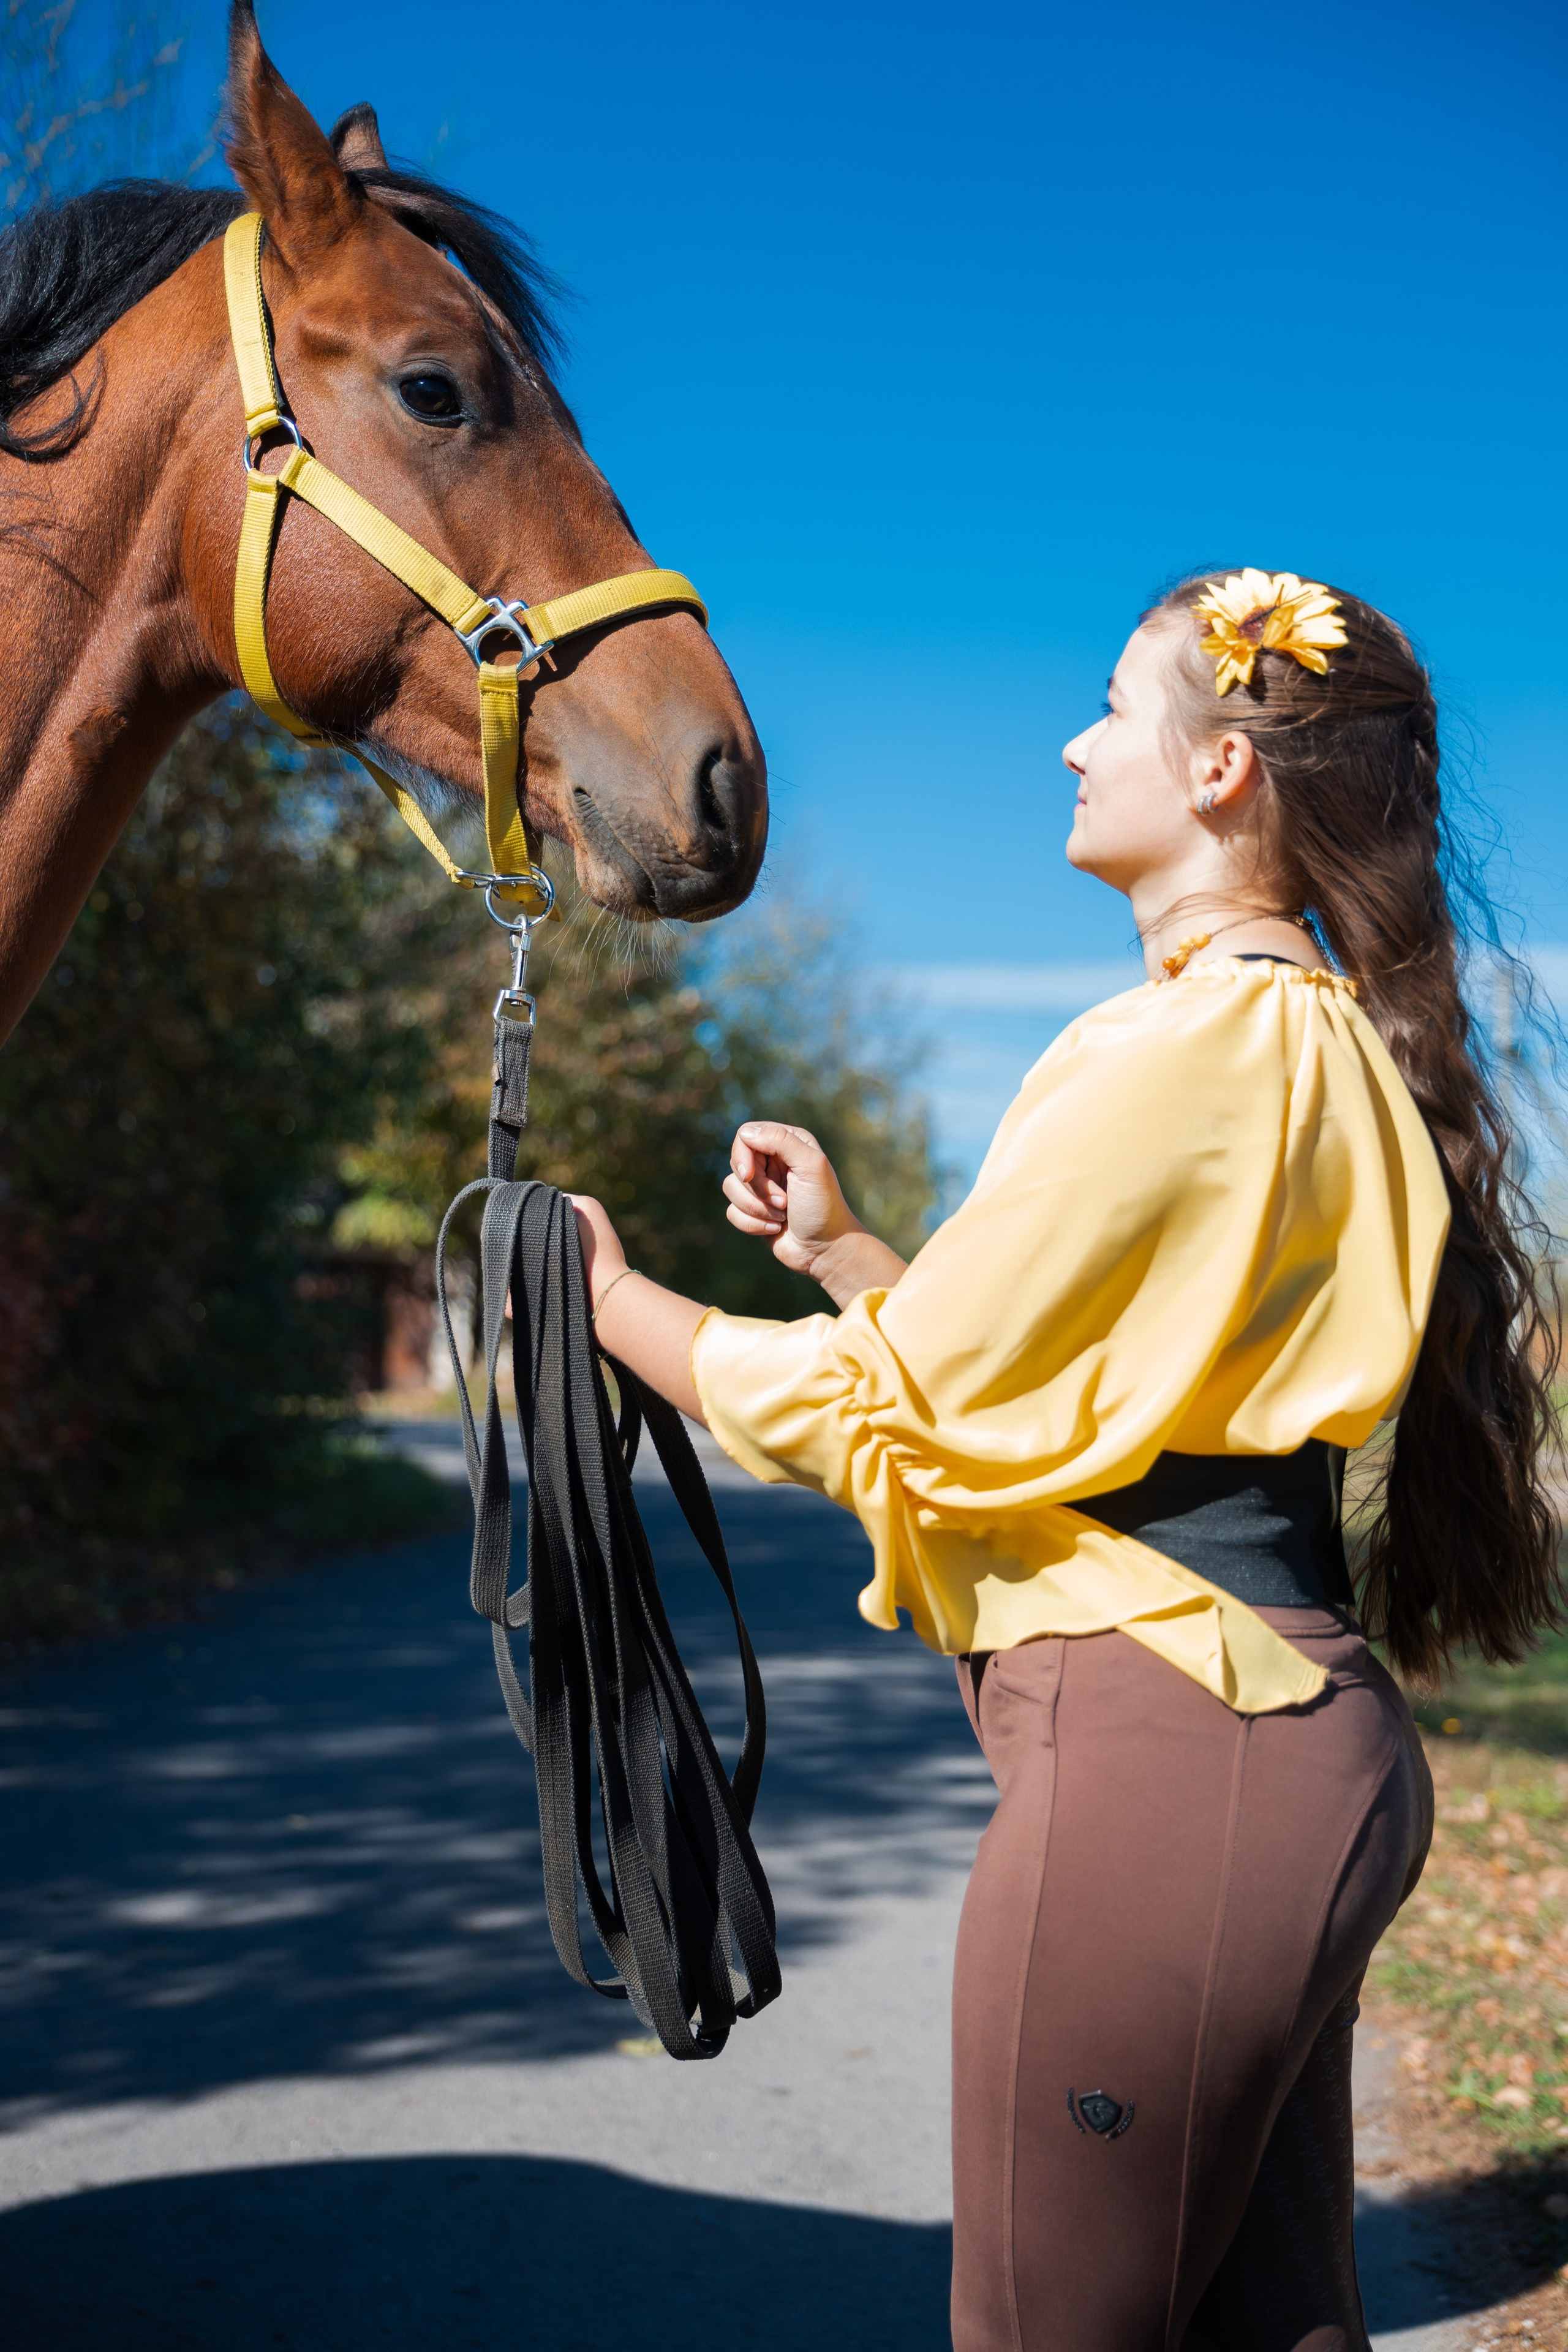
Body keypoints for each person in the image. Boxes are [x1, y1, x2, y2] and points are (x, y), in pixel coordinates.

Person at [571, 569, 1562, 2351]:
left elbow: (882, 1412)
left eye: (1112, 705)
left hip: (1177, 1767)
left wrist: (608, 1302)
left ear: (1222, 770)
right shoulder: (1311, 1042)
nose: (1072, 744)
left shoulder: (1178, 1051)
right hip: (1284, 1747)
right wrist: (851, 1256)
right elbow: (1069, 1406)